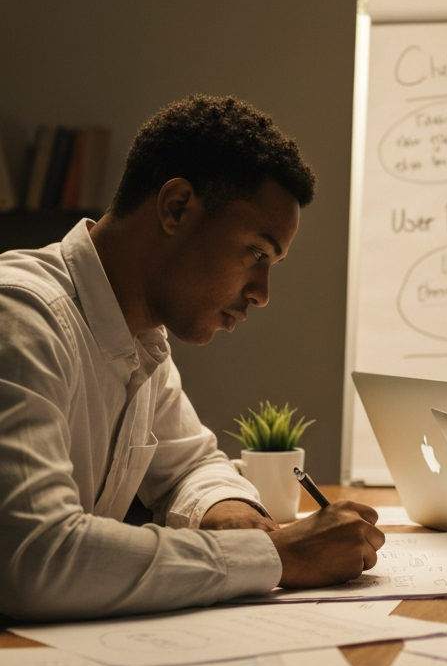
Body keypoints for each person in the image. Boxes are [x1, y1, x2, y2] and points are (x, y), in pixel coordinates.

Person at [0, 95, 384, 623]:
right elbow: (34, 560)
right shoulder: (21, 318)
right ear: (177, 207)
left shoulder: (143, 341)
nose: (263, 293)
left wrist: (228, 512)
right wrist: (275, 555)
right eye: (257, 253)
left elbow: (193, 464)